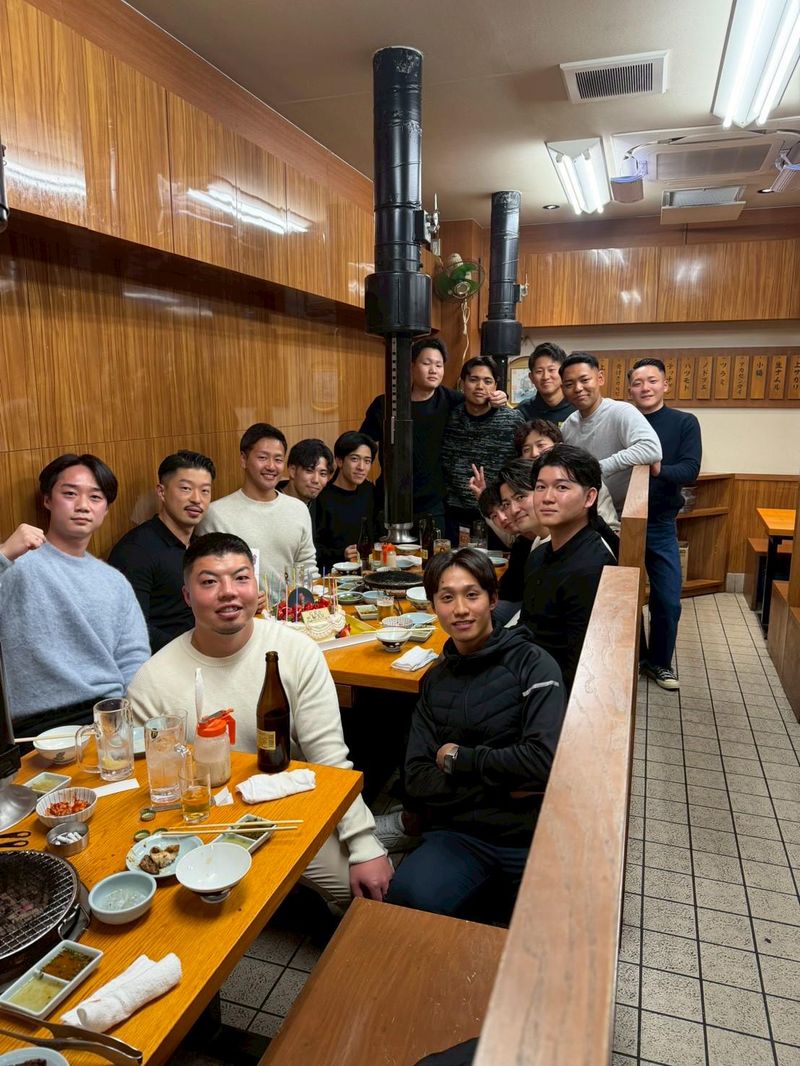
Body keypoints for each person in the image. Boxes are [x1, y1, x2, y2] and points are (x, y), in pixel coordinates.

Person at [127, 532, 393, 909]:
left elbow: (330, 759)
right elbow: (147, 782)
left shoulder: (296, 651)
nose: (228, 592)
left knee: (364, 893)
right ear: (186, 595)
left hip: (289, 811)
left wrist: (364, 845)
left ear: (256, 585)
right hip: (202, 823)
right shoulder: (153, 679)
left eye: (241, 578)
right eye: (209, 582)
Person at [384, 548, 564, 921]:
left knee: (560, 932)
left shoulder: (534, 664)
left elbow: (543, 762)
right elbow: (416, 777)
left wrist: (459, 759)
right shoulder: (435, 680)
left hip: (532, 834)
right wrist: (506, 786)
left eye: (472, 595)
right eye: (447, 598)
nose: (461, 610)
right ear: (434, 607)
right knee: (405, 899)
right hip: (461, 834)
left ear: (493, 599)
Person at [0, 454, 149, 734]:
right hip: (35, 725)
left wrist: (126, 724)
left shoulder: (115, 581)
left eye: (95, 497)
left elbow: (133, 658)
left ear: (106, 509)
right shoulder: (15, 562)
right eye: (70, 494)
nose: (82, 505)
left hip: (108, 717)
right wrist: (5, 553)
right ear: (47, 500)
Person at [360, 337, 506, 530]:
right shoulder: (386, 404)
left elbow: (479, 401)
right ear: (412, 366)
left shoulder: (452, 400)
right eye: (426, 363)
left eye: (439, 365)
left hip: (433, 503)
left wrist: (501, 396)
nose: (433, 370)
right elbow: (364, 444)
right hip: (390, 498)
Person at [514, 445, 617, 693]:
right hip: (527, 668)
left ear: (590, 498)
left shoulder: (593, 566)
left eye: (561, 487)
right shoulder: (539, 554)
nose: (547, 498)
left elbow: (581, 664)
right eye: (540, 487)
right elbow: (528, 626)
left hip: (553, 690)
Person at [628, 358, 702, 691]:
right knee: (621, 595)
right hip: (620, 522)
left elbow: (690, 470)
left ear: (665, 385)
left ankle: (660, 663)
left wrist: (657, 468)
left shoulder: (684, 422)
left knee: (668, 600)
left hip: (659, 523)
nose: (645, 387)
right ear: (630, 390)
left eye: (652, 381)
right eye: (637, 382)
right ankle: (633, 657)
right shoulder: (623, 420)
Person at [108, 450, 216, 652]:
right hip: (164, 659)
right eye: (186, 488)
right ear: (161, 492)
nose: (197, 499)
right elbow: (131, 626)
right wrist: (189, 651)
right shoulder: (136, 550)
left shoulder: (201, 546)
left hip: (205, 650)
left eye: (205, 491)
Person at [198, 423, 318, 593]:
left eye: (278, 459)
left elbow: (306, 567)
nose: (271, 466)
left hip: (291, 608)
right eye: (263, 457)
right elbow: (207, 578)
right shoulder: (215, 514)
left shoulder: (298, 509)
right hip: (239, 608)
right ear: (243, 459)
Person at [559, 352, 662, 514]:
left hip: (621, 515)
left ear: (600, 378)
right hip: (581, 514)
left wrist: (599, 468)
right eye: (569, 384)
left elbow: (651, 449)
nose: (578, 388)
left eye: (584, 380)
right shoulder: (568, 425)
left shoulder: (621, 412)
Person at [440, 356, 523, 543]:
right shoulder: (449, 417)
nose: (480, 386)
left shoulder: (512, 420)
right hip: (455, 514)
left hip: (498, 514)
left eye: (487, 381)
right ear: (463, 383)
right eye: (473, 379)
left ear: (496, 386)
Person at [314, 432, 379, 572]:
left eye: (367, 461)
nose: (361, 467)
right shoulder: (322, 497)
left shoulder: (369, 490)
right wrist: (341, 554)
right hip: (333, 574)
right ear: (339, 461)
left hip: (368, 569)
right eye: (355, 459)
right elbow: (314, 547)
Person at [515, 342, 576, 425]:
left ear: (564, 373)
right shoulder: (523, 411)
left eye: (551, 370)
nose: (545, 377)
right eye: (539, 371)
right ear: (531, 377)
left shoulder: (578, 407)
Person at [278, 438, 333, 525]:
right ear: (292, 470)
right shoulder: (271, 501)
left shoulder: (321, 505)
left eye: (323, 474)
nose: (316, 480)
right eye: (309, 471)